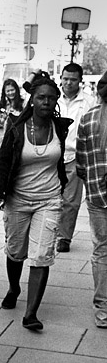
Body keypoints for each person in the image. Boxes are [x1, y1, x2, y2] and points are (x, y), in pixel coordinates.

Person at [0, 72, 72, 331]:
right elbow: (4, 162)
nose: (46, 102)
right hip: (18, 199)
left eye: (51, 98)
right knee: (16, 251)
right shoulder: (17, 128)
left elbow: (59, 161)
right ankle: (14, 288)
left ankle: (31, 314)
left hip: (49, 199)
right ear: (32, 101)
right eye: (41, 98)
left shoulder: (60, 128)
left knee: (42, 255)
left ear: (56, 100)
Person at [76, 71, 107, 329]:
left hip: (97, 196)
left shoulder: (87, 118)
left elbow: (81, 165)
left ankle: (102, 311)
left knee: (101, 251)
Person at [55, 63, 96, 252]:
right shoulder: (53, 98)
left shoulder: (89, 102)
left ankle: (64, 237)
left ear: (80, 80)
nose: (68, 82)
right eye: (65, 78)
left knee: (70, 200)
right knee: (51, 196)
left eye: (72, 79)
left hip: (75, 154)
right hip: (51, 154)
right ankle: (50, 232)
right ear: (60, 78)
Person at [0, 78, 24, 150]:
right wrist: (2, 120)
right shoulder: (1, 104)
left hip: (17, 139)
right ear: (4, 92)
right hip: (1, 141)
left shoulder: (23, 103)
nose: (10, 93)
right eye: (8, 91)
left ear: (16, 90)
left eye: (12, 90)